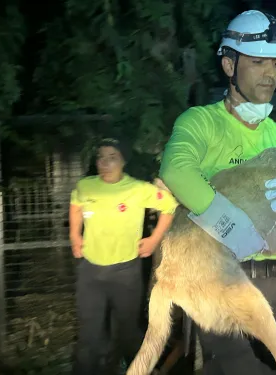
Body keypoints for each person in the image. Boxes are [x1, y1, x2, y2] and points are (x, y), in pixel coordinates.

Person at [158, 10, 276, 375]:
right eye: (258, 62)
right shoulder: (200, 122)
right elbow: (176, 170)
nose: (270, 73)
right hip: (220, 279)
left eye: (275, 63)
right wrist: (231, 226)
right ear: (229, 65)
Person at [69, 137, 179, 375]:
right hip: (90, 272)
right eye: (101, 157)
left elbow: (169, 207)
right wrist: (75, 234)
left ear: (123, 161)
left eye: (112, 157)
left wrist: (154, 239)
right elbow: (76, 205)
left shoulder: (138, 189)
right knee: (89, 334)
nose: (105, 163)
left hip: (125, 273)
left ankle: (140, 370)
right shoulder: (86, 186)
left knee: (128, 332)